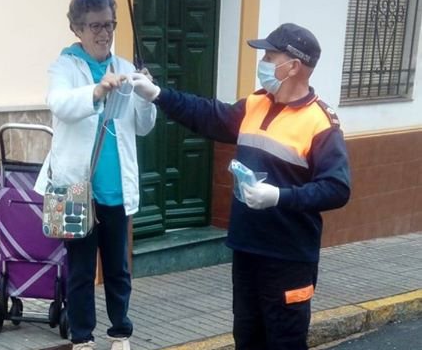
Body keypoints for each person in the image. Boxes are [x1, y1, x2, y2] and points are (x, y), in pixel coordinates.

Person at [131, 23, 351, 350]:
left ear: (293, 66)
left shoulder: (320, 122)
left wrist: (279, 196)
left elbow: (337, 188)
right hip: (248, 249)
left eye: (269, 55)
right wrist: (159, 95)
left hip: (289, 258)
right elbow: (208, 114)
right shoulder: (256, 103)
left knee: (285, 342)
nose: (262, 61)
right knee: (247, 339)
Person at [35, 0, 157, 350]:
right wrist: (97, 91)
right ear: (76, 28)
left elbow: (143, 125)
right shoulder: (64, 67)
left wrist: (147, 94)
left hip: (116, 187)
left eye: (109, 24)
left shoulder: (125, 67)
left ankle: (121, 331)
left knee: (118, 268)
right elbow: (60, 104)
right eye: (94, 26)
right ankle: (83, 337)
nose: (104, 33)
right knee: (81, 270)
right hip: (74, 189)